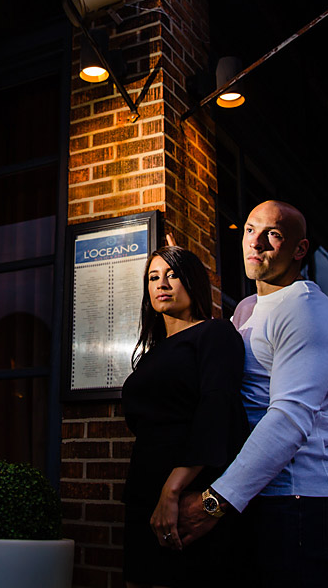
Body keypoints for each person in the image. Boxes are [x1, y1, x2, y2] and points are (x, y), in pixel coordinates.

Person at [177, 200, 328, 588]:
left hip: (299, 499)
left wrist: (214, 502)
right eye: (250, 230)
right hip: (257, 496)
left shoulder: (306, 311)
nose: (255, 244)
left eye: (272, 235)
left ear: (299, 250)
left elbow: (288, 419)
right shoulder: (247, 309)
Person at [121, 246, 249, 588]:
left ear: (192, 281)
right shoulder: (151, 354)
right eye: (153, 277)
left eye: (173, 274)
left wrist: (173, 490)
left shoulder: (216, 334)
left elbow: (216, 410)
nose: (162, 283)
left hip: (188, 491)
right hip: (144, 491)